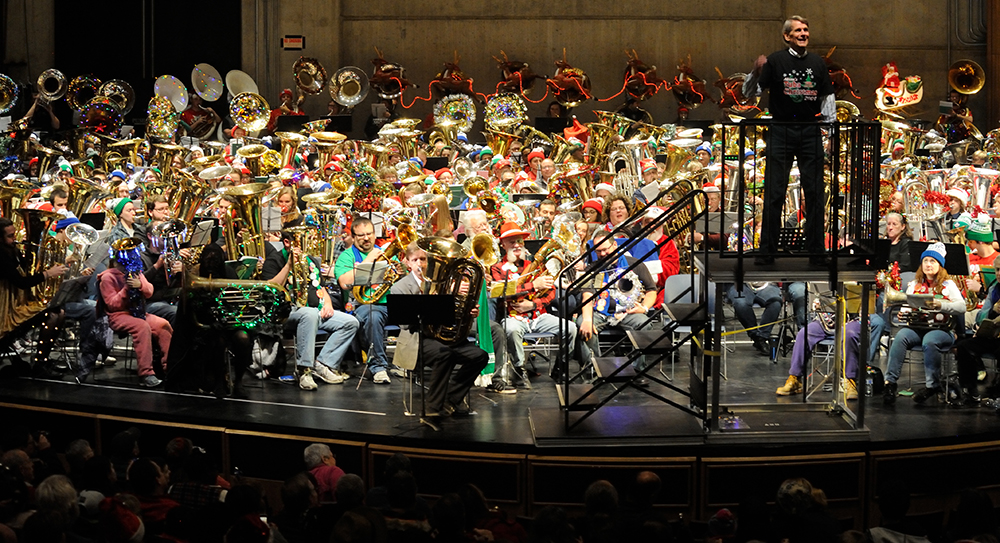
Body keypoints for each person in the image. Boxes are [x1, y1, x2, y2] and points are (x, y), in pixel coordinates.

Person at [743, 15, 835, 265]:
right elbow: (750, 93)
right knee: (775, 192)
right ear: (787, 36)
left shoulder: (817, 62)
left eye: (806, 29)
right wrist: (755, 71)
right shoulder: (774, 60)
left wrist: (831, 132)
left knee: (815, 193)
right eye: (798, 30)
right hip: (781, 130)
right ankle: (767, 251)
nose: (804, 34)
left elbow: (827, 98)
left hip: (809, 131)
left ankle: (817, 251)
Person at [391, 243, 488, 416]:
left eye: (423, 259)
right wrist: (442, 300)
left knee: (479, 356)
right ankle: (432, 408)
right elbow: (405, 324)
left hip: (445, 338)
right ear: (407, 263)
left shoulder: (446, 281)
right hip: (418, 340)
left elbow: (456, 313)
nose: (420, 264)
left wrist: (469, 311)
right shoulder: (400, 287)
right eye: (415, 260)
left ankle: (450, 399)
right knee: (445, 354)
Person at [262, 230, 360, 391]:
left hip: (315, 311)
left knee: (350, 322)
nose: (306, 245)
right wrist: (289, 266)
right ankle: (304, 370)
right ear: (287, 243)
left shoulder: (311, 261)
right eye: (301, 241)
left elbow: (320, 287)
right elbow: (270, 288)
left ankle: (323, 364)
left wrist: (327, 303)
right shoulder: (274, 260)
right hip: (286, 313)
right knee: (310, 313)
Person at [883, 242, 967, 405]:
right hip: (919, 328)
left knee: (930, 340)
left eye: (933, 261)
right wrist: (904, 313)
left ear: (940, 265)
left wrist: (941, 305)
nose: (928, 264)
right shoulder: (915, 285)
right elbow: (909, 305)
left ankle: (932, 386)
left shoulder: (948, 285)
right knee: (901, 336)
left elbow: (961, 307)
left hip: (942, 330)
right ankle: (890, 383)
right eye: (926, 261)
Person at [491, 221, 577, 374]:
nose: (517, 245)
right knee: (511, 330)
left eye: (519, 241)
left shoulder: (534, 264)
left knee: (570, 328)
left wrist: (533, 304)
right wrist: (533, 285)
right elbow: (502, 292)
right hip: (513, 317)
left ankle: (560, 368)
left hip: (538, 316)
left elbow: (550, 291)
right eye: (512, 242)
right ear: (503, 245)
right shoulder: (497, 268)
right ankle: (519, 370)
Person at [577, 231, 657, 379]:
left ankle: (637, 371)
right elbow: (587, 295)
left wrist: (644, 307)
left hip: (628, 311)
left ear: (615, 245)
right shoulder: (592, 269)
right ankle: (594, 370)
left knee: (644, 324)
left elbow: (652, 290)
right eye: (599, 251)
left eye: (606, 249)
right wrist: (587, 319)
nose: (602, 253)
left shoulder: (634, 264)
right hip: (600, 312)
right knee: (582, 323)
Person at [98, 238, 172, 387]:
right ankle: (146, 373)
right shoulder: (107, 277)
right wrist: (127, 288)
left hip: (137, 313)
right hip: (118, 316)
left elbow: (149, 291)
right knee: (142, 326)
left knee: (163, 325)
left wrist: (140, 286)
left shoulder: (136, 271)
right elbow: (112, 305)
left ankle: (169, 369)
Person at [335, 217, 401, 385]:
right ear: (354, 236)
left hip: (391, 302)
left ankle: (410, 364)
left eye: (369, 234)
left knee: (420, 313)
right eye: (361, 235)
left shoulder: (384, 252)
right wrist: (368, 260)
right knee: (373, 317)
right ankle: (378, 367)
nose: (366, 238)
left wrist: (402, 271)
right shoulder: (347, 256)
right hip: (364, 304)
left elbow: (397, 279)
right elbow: (344, 282)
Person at [0, 217, 67, 375]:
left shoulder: (12, 250)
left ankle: (42, 359)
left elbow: (26, 268)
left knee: (60, 313)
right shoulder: (1, 256)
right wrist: (48, 273)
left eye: (14, 234)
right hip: (7, 310)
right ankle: (39, 365)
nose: (14, 239)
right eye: (10, 236)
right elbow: (21, 282)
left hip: (18, 302)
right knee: (51, 316)